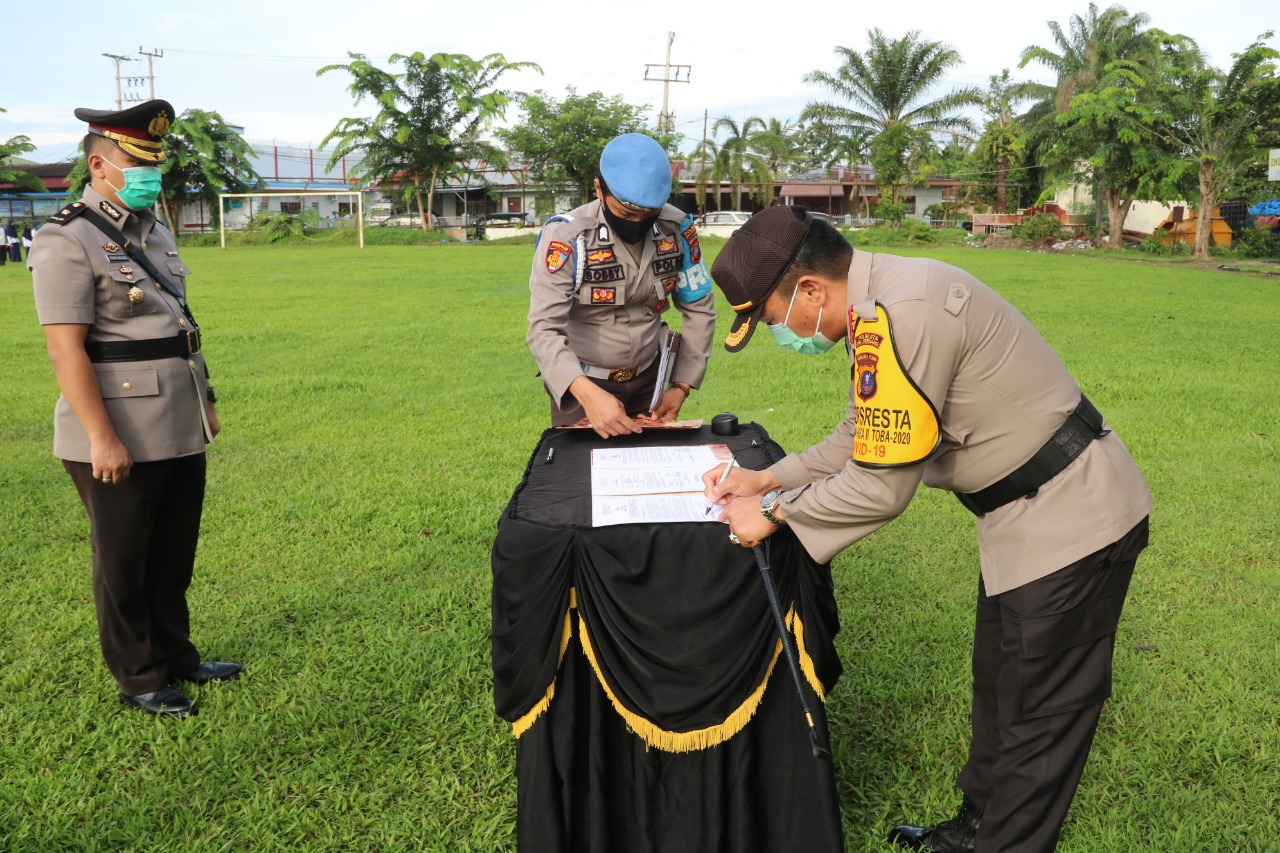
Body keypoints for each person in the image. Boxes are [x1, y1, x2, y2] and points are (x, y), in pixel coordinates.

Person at [703, 206, 1152, 852]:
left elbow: (882, 486)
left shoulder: (903, 312)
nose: (782, 331)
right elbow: (866, 433)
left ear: (808, 290)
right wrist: (770, 478)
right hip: (1022, 520)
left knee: (1038, 725)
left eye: (772, 319)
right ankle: (971, 831)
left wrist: (772, 514)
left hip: (1072, 518)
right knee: (999, 690)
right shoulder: (878, 302)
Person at [28, 99, 241, 718]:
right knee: (124, 560)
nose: (151, 174)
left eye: (155, 163)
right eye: (137, 163)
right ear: (99, 165)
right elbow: (65, 349)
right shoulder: (67, 239)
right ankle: (140, 674)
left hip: (178, 421)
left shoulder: (154, 228)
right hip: (119, 428)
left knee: (173, 555)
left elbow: (178, 327)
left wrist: (206, 405)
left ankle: (177, 654)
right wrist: (102, 438)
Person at [526, 133, 716, 438]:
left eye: (649, 213)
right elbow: (544, 329)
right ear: (599, 188)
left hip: (650, 382)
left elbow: (699, 308)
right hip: (582, 383)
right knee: (580, 479)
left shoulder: (676, 228)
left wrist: (681, 384)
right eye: (627, 213)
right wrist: (586, 395)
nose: (638, 222)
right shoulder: (567, 238)